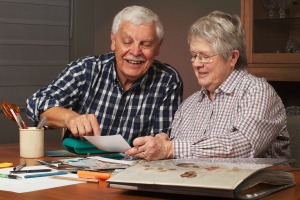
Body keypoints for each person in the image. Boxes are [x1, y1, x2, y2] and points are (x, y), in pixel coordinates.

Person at [125, 10, 290, 160]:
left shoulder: (257, 91)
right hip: (198, 188)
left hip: (258, 190)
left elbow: (246, 146)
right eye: (193, 55)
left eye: (204, 56)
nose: (196, 63)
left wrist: (171, 149)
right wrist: (160, 144)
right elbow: (176, 154)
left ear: (232, 57)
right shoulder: (188, 105)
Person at [26, 5, 183, 143]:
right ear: (113, 41)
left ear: (158, 47)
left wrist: (158, 144)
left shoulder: (168, 80)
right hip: (79, 166)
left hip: (135, 169)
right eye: (127, 42)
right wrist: (70, 118)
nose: (135, 52)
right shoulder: (86, 69)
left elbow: (163, 138)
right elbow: (36, 103)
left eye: (146, 44)